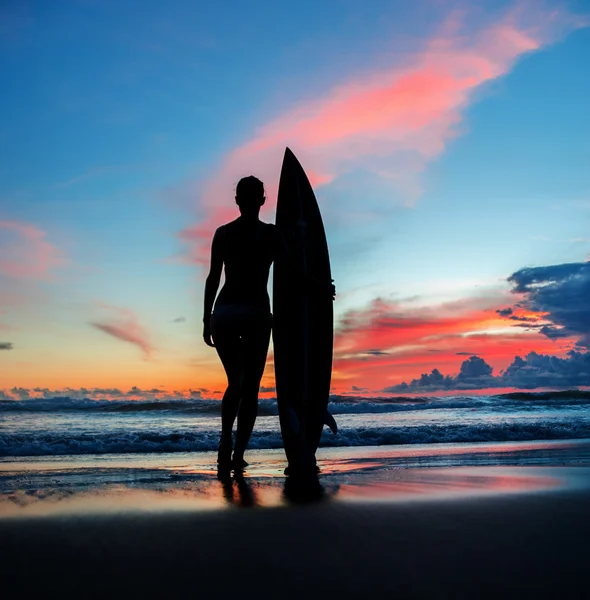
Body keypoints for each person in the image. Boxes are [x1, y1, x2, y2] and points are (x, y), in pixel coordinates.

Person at [203, 176, 275, 472]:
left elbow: (212, 278)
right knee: (251, 387)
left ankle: (224, 442)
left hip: (225, 312)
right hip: (256, 312)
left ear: (237, 200)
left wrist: (206, 318)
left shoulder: (224, 233)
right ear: (262, 200)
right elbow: (295, 272)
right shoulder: (272, 235)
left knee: (236, 383)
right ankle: (238, 453)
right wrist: (320, 286)